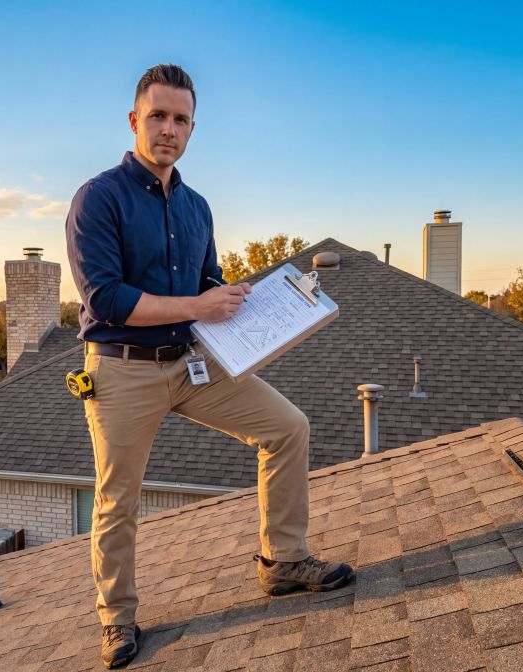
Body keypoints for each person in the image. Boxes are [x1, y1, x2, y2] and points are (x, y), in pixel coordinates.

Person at [66, 64, 354, 670]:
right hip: (122, 371)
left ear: (193, 128)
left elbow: (207, 283)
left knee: (287, 427)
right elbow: (106, 299)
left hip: (193, 363)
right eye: (158, 116)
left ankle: (283, 562)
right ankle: (117, 620)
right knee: (117, 499)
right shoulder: (98, 199)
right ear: (134, 121)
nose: (168, 129)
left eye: (180, 119)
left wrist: (257, 299)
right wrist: (199, 303)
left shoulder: (196, 207)